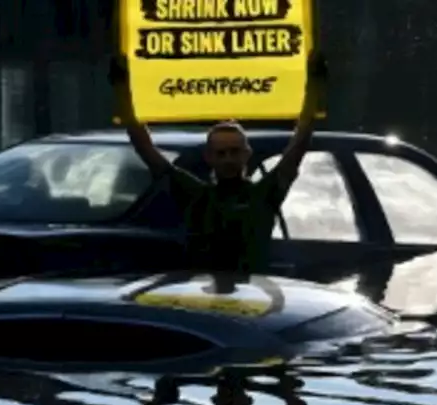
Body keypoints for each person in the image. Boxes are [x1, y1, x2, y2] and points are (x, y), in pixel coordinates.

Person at [108, 52, 329, 274]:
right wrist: (122, 87)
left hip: (252, 298)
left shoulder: (263, 194)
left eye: (234, 152)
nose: (228, 160)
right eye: (221, 153)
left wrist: (315, 85)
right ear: (209, 157)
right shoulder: (196, 196)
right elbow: (145, 148)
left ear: (246, 154)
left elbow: (298, 145)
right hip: (202, 300)